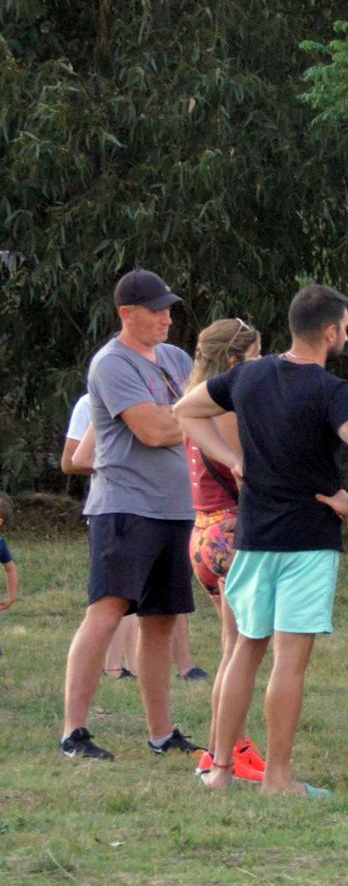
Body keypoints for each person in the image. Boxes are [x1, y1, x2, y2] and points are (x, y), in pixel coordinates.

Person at [178, 284, 348, 797]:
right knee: (289, 660)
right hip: (308, 542)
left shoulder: (246, 375)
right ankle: (279, 777)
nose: (346, 335)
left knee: (244, 650)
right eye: (345, 328)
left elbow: (185, 411)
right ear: (331, 331)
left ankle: (220, 769)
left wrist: (232, 460)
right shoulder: (331, 391)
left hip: (252, 536)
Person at [59, 269, 202, 761]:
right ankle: (73, 732)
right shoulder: (112, 363)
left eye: (168, 309)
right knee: (106, 613)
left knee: (162, 621)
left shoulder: (177, 359)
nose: (166, 318)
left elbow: (195, 415)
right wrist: (193, 417)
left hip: (176, 508)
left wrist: (189, 417)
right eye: (156, 309)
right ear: (126, 313)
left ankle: (161, 734)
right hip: (124, 507)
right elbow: (155, 431)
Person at [182, 318, 268, 781]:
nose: (260, 365)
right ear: (236, 361)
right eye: (255, 356)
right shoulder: (230, 410)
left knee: (229, 648)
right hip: (233, 535)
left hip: (203, 535)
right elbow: (247, 471)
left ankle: (228, 747)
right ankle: (224, 756)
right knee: (240, 652)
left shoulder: (196, 403)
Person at [62, 395, 140, 681]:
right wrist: (132, 465)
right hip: (113, 508)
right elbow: (72, 461)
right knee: (112, 596)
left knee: (136, 597)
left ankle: (130, 665)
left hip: (149, 508)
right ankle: (111, 666)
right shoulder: (89, 403)